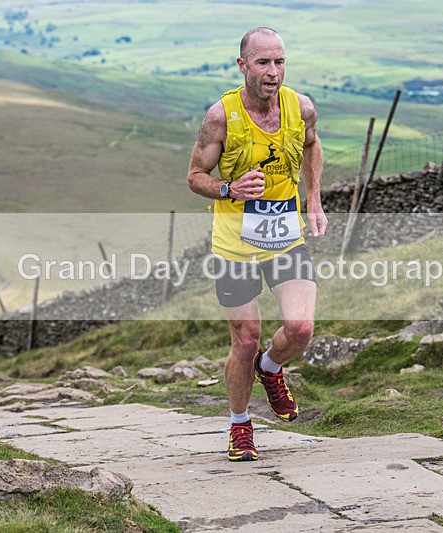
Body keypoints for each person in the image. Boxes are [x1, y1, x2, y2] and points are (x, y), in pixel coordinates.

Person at [187, 27, 327, 461]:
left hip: (285, 236)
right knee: (246, 340)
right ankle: (240, 424)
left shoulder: (301, 107)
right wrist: (229, 189)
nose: (273, 72)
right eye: (263, 62)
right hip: (235, 245)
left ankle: (270, 368)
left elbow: (312, 145)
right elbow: (195, 176)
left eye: (279, 62)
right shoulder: (220, 117)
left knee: (300, 328)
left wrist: (314, 198)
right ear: (242, 65)